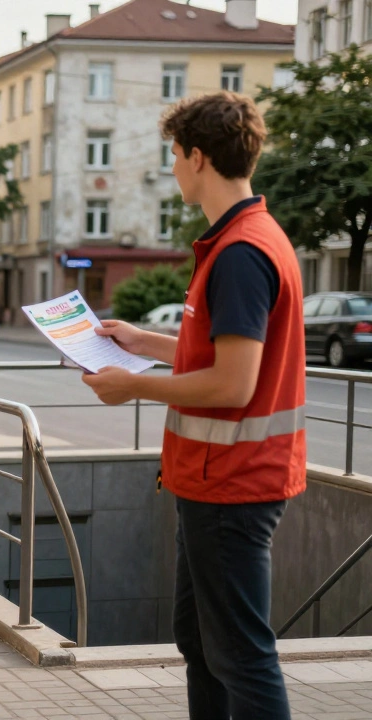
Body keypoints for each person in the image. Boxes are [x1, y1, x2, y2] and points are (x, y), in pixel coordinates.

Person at [82, 92, 305, 720]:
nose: (173, 167)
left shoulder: (239, 253)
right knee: (203, 642)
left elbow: (233, 385)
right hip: (218, 481)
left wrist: (134, 385)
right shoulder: (246, 239)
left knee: (238, 653)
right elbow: (221, 350)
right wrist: (142, 342)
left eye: (174, 156)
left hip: (233, 484)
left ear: (199, 157)